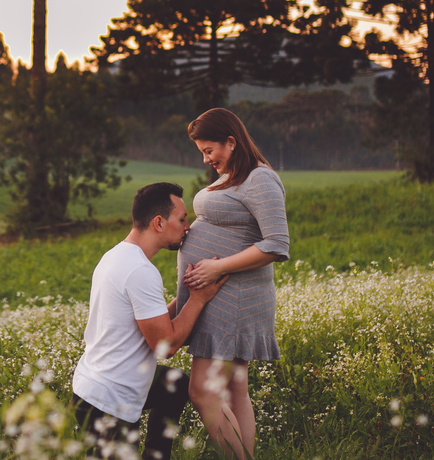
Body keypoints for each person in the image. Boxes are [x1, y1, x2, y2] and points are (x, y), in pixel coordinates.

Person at [71, 182, 227, 460]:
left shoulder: (117, 255)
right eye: (181, 219)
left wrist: (186, 297)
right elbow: (165, 346)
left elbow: (145, 322)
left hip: (93, 385)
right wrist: (198, 300)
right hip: (108, 401)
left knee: (175, 383)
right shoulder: (140, 270)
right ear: (158, 222)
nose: (187, 227)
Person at [177, 108, 289, 460]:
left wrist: (216, 267)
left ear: (232, 141)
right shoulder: (233, 177)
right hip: (219, 296)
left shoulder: (260, 178)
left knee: (203, 390)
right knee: (234, 388)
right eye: (202, 153)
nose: (207, 159)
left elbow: (276, 244)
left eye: (210, 150)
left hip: (235, 297)